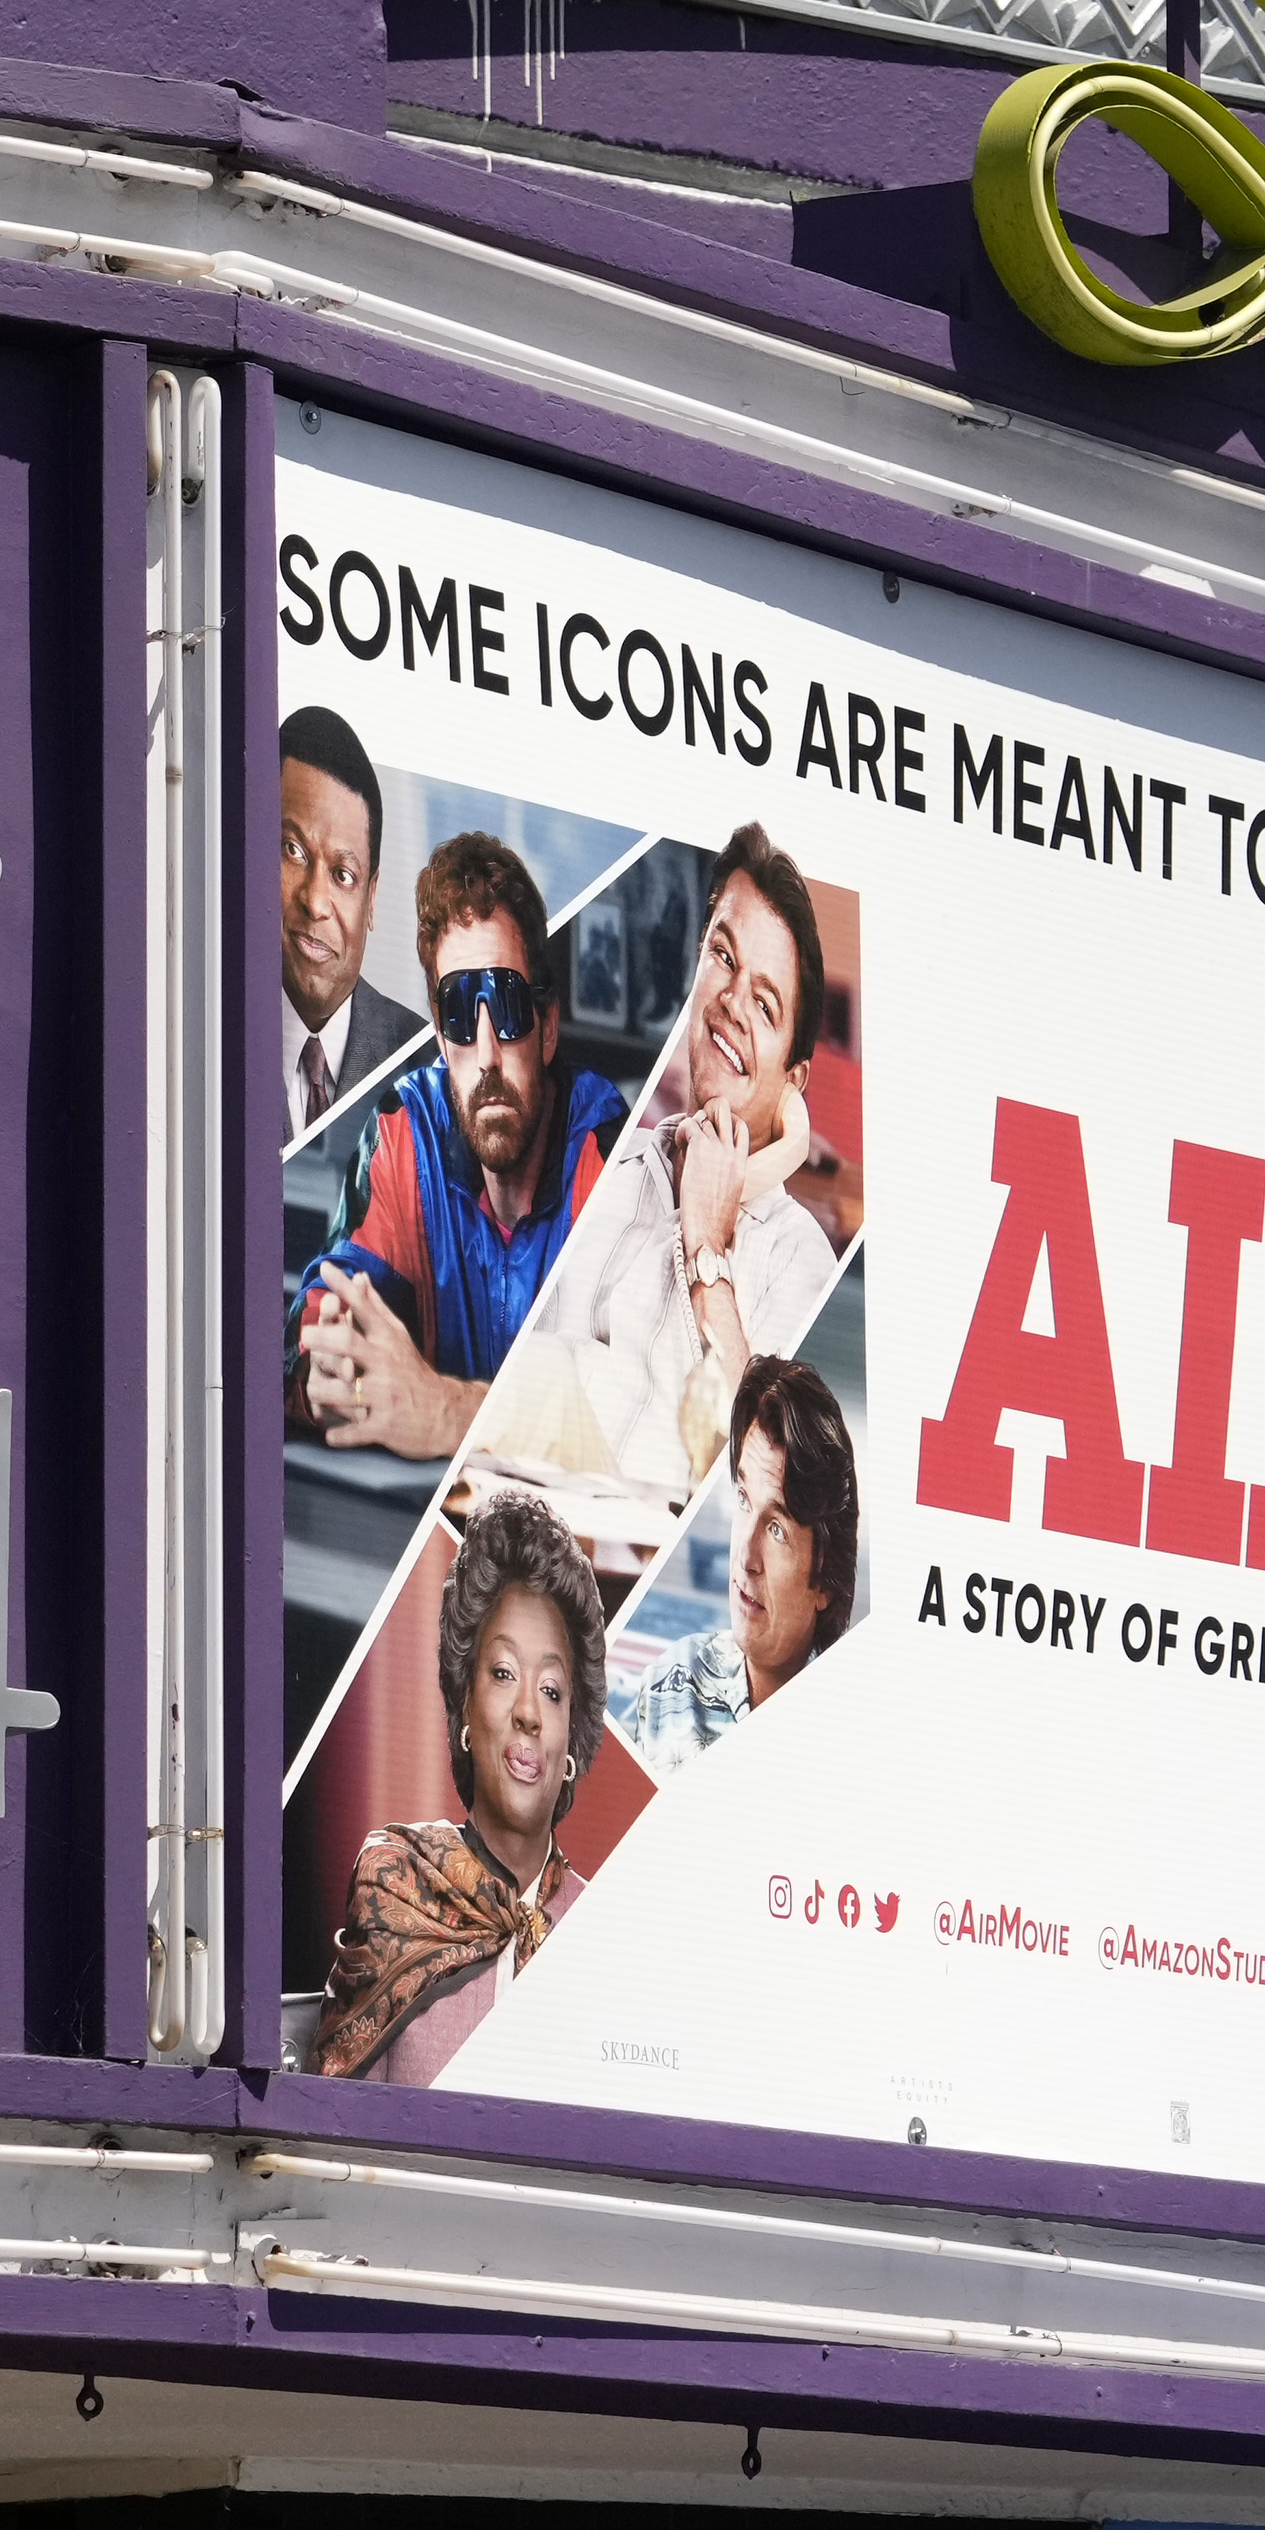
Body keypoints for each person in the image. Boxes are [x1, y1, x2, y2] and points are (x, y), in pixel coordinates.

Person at [508, 828, 846, 1487]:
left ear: (794, 1081)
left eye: (767, 1003)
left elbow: (762, 1477)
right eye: (722, 955)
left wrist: (708, 1247)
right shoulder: (599, 1161)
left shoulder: (798, 1258)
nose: (732, 1001)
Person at [296, 832, 625, 1458]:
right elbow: (313, 1318)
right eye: (456, 1011)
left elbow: (632, 1410)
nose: (488, 1057)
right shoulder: (403, 1135)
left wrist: (446, 1412)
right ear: (441, 1040)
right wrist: (329, 1359)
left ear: (548, 1028)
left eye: (506, 1006)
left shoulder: (606, 1156)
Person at [312, 1497, 607, 2083]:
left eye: (551, 1690)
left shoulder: (604, 1933)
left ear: (571, 1737)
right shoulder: (397, 1882)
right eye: (502, 1675)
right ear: (466, 1706)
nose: (528, 1711)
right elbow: (339, 2140)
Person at [609, 1354, 859, 1774]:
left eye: (777, 1529)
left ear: (825, 1583)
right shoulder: (673, 1680)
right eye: (744, 1500)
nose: (745, 1557)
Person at [273, 707, 425, 1147]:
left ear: (371, 898)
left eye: (343, 876)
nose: (316, 902)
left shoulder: (430, 1063)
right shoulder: (200, 1027)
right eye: (293, 850)